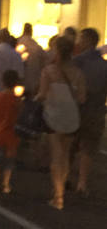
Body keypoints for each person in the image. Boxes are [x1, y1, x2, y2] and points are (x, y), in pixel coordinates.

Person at [35, 37, 86, 210]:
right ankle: (60, 190)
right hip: (72, 116)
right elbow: (82, 98)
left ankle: (58, 196)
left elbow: (41, 94)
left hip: (53, 115)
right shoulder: (78, 73)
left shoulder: (49, 71)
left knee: (56, 156)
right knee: (65, 156)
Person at [71, 28, 107, 197]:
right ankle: (82, 182)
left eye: (81, 39)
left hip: (76, 109)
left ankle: (64, 177)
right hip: (96, 110)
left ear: (87, 41)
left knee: (70, 144)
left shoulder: (77, 62)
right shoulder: (104, 64)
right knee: (89, 147)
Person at [0, 70, 21, 198]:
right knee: (9, 162)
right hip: (12, 135)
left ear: (3, 82)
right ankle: (6, 183)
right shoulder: (17, 101)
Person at [17, 23, 46, 95]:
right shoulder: (36, 45)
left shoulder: (17, 42)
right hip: (34, 79)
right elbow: (44, 61)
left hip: (19, 79)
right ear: (31, 32)